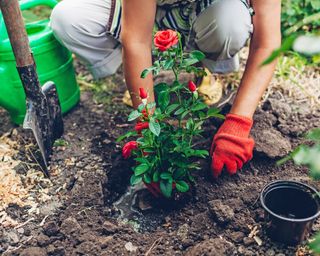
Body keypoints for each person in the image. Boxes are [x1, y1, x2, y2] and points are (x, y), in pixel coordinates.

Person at [50, 0, 281, 178]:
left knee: (229, 25)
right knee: (68, 19)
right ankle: (142, 79)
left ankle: (201, 72)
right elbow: (136, 40)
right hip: (140, 8)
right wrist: (147, 129)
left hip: (209, 10)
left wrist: (238, 123)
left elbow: (267, 42)